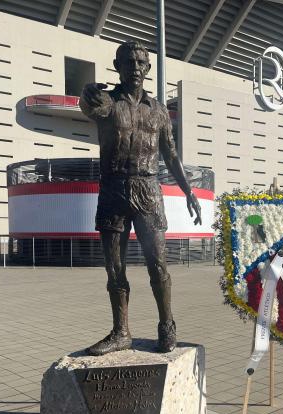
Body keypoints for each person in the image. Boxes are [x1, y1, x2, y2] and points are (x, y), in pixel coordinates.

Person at [80, 41, 201, 355]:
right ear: (117, 66)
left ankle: (167, 327)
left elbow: (171, 155)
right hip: (113, 189)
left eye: (140, 63)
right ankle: (121, 332)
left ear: (148, 69)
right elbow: (89, 106)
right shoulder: (107, 103)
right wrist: (86, 92)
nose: (135, 68)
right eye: (128, 62)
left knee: (158, 265)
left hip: (148, 191)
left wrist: (189, 191)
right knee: (114, 269)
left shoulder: (159, 110)